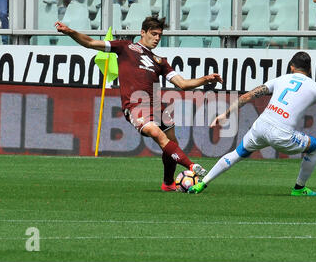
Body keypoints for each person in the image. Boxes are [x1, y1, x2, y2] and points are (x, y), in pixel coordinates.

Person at [55, 16, 223, 191]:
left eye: (160, 35)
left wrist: (206, 79)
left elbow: (183, 84)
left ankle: (168, 183)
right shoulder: (125, 47)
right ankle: (191, 166)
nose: (157, 38)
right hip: (135, 105)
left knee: (171, 142)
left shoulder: (160, 61)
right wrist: (70, 32)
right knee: (155, 132)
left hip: (156, 106)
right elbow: (90, 43)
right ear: (143, 33)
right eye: (154, 34)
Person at [188, 52, 316, 195]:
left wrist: (224, 114)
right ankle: (299, 188)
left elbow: (248, 96)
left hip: (261, 125)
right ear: (309, 69)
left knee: (237, 153)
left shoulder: (281, 79)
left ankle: (202, 184)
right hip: (282, 134)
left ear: (291, 67)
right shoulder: (315, 87)